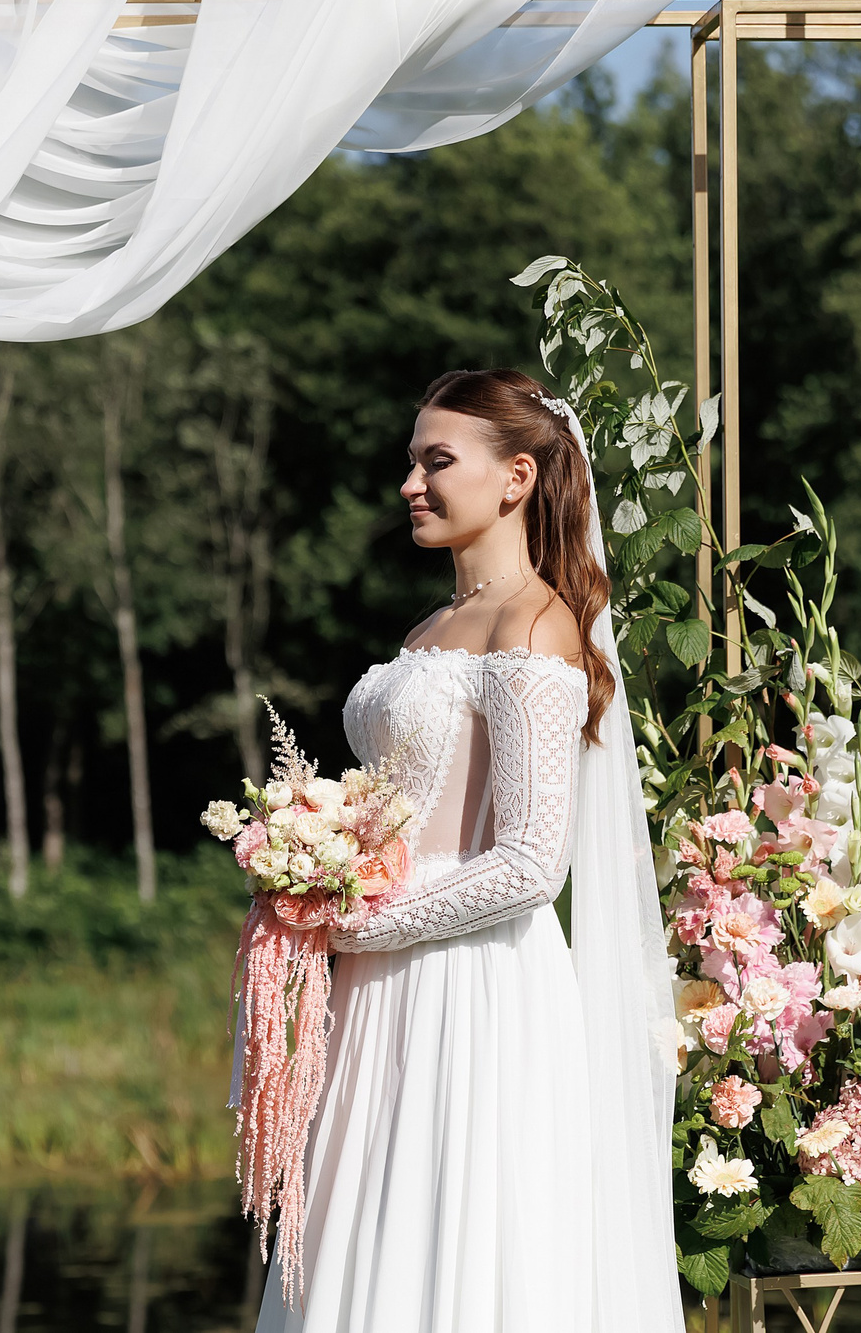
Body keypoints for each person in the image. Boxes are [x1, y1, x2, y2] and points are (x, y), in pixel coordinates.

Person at [257, 367, 680, 1333]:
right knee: (359, 1235)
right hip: (380, 985)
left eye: (436, 461)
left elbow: (532, 861)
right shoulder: (431, 627)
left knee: (457, 1241)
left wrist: (355, 925)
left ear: (517, 476)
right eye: (411, 461)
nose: (410, 483)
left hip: (468, 983)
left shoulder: (536, 623)